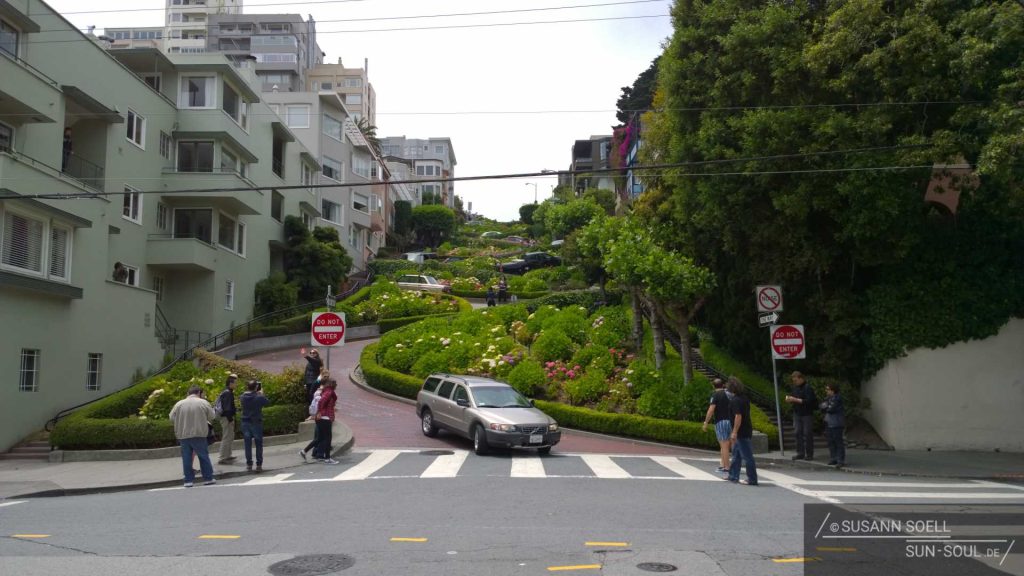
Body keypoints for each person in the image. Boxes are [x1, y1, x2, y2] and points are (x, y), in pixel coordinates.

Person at [169, 385, 216, 488]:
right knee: (203, 456)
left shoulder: (179, 404)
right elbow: (212, 416)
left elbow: (171, 417)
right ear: (199, 392)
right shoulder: (203, 402)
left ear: (188, 393)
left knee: (186, 458)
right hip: (199, 433)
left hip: (183, 435)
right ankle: (208, 478)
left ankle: (188, 480)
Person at [724, 377, 758, 486]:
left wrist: (734, 431)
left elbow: (738, 416)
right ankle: (733, 475)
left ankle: (752, 479)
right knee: (736, 454)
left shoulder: (735, 401)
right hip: (746, 429)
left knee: (747, 456)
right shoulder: (744, 398)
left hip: (741, 432)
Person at [785, 371, 817, 461]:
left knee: (807, 433)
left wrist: (795, 399)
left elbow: (810, 401)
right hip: (797, 413)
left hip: (807, 414)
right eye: (793, 380)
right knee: (797, 433)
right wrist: (790, 399)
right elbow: (793, 396)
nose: (794, 382)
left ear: (801, 378)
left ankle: (809, 454)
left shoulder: (808, 388)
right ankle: (800, 452)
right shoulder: (795, 388)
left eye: (796, 380)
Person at [702, 378, 733, 472]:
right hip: (731, 421)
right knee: (728, 445)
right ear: (723, 385)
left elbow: (711, 410)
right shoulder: (729, 394)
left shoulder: (715, 395)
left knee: (724, 446)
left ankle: (726, 467)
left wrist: (706, 422)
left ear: (713, 386)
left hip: (721, 422)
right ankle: (723, 464)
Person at [240, 379, 270, 473]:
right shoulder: (259, 397)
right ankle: (259, 464)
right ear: (256, 387)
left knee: (247, 444)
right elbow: (267, 402)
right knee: (258, 444)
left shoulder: (243, 397)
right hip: (256, 422)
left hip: (245, 421)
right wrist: (261, 394)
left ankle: (249, 464)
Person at [820, 383, 846, 467]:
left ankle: (840, 460)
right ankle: (833, 458)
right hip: (829, 422)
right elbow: (821, 406)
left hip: (836, 422)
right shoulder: (828, 398)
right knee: (831, 442)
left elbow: (831, 409)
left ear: (833, 390)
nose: (826, 391)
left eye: (828, 389)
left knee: (838, 442)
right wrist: (826, 406)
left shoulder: (837, 398)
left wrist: (826, 406)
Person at [215, 374, 238, 464]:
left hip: (225, 417)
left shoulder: (227, 392)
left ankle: (228, 455)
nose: (236, 384)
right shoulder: (228, 393)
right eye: (235, 383)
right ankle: (223, 457)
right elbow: (227, 408)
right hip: (226, 418)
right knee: (227, 436)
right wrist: (230, 419)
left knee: (229, 436)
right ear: (230, 383)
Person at [299, 381, 325, 461]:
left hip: (318, 418)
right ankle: (307, 451)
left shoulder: (319, 394)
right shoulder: (319, 395)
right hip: (320, 418)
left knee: (318, 437)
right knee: (319, 437)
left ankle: (314, 452)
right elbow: (317, 407)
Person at [316, 379, 339, 464]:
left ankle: (326, 457)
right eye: (335, 383)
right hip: (326, 417)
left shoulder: (328, 391)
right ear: (332, 384)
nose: (336, 385)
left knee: (324, 438)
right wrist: (319, 411)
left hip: (326, 416)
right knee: (328, 438)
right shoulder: (329, 392)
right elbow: (321, 401)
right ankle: (327, 458)